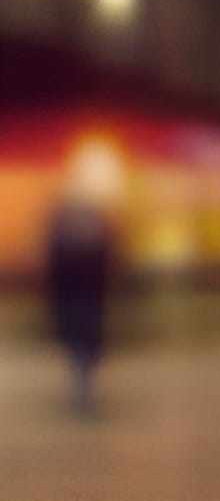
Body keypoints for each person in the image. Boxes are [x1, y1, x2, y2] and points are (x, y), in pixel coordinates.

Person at [45, 144, 122, 413]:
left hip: (75, 293)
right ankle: (84, 385)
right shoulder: (95, 214)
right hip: (87, 293)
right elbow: (108, 252)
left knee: (78, 339)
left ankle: (82, 385)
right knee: (86, 339)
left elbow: (55, 254)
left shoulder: (66, 214)